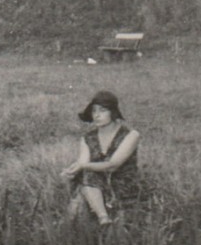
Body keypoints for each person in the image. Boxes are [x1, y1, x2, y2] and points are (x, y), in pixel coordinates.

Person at [60, 90, 141, 225]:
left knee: (85, 180)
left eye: (102, 111)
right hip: (96, 185)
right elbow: (83, 162)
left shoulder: (131, 135)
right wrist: (71, 170)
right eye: (94, 111)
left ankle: (73, 222)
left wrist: (82, 166)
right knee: (84, 176)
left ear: (113, 112)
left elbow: (113, 165)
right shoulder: (88, 138)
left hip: (123, 184)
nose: (97, 115)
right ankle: (103, 218)